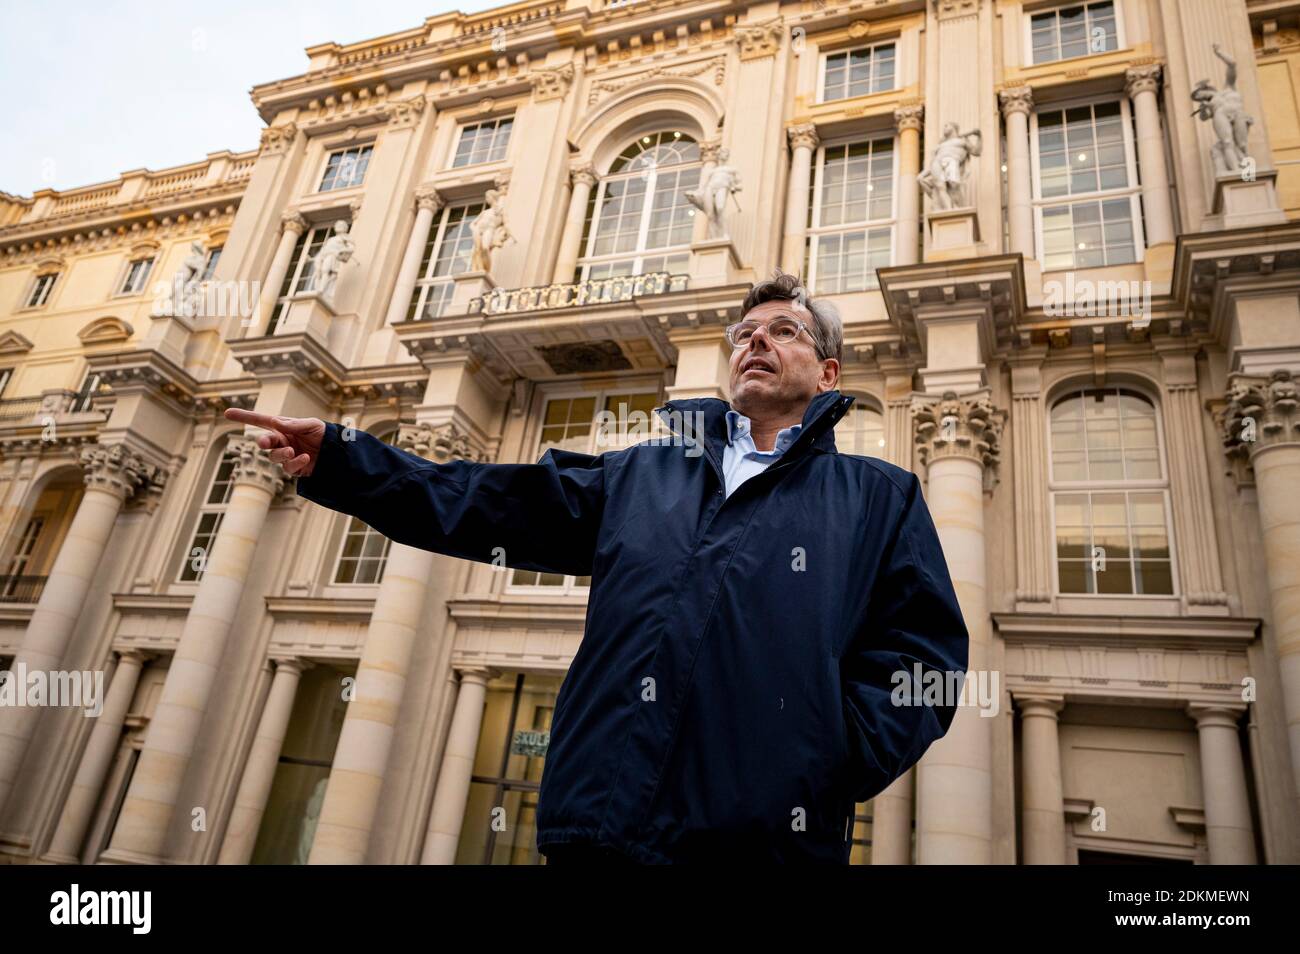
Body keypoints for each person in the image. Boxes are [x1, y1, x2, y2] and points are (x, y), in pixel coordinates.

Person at [224, 268, 969, 865]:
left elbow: (926, 662)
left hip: (762, 846)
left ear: (828, 372)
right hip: (598, 834)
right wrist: (348, 461)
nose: (756, 342)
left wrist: (822, 761)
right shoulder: (647, 474)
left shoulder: (878, 497)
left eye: (784, 330)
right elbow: (485, 502)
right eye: (744, 333)